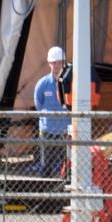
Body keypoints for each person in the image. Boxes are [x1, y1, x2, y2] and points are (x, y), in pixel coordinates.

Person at [33, 46, 71, 177]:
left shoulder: (70, 83)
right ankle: (45, 190)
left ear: (64, 63)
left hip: (66, 131)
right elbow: (38, 104)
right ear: (49, 63)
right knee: (46, 164)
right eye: (53, 63)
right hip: (48, 130)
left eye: (59, 62)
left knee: (65, 165)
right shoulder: (42, 84)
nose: (56, 66)